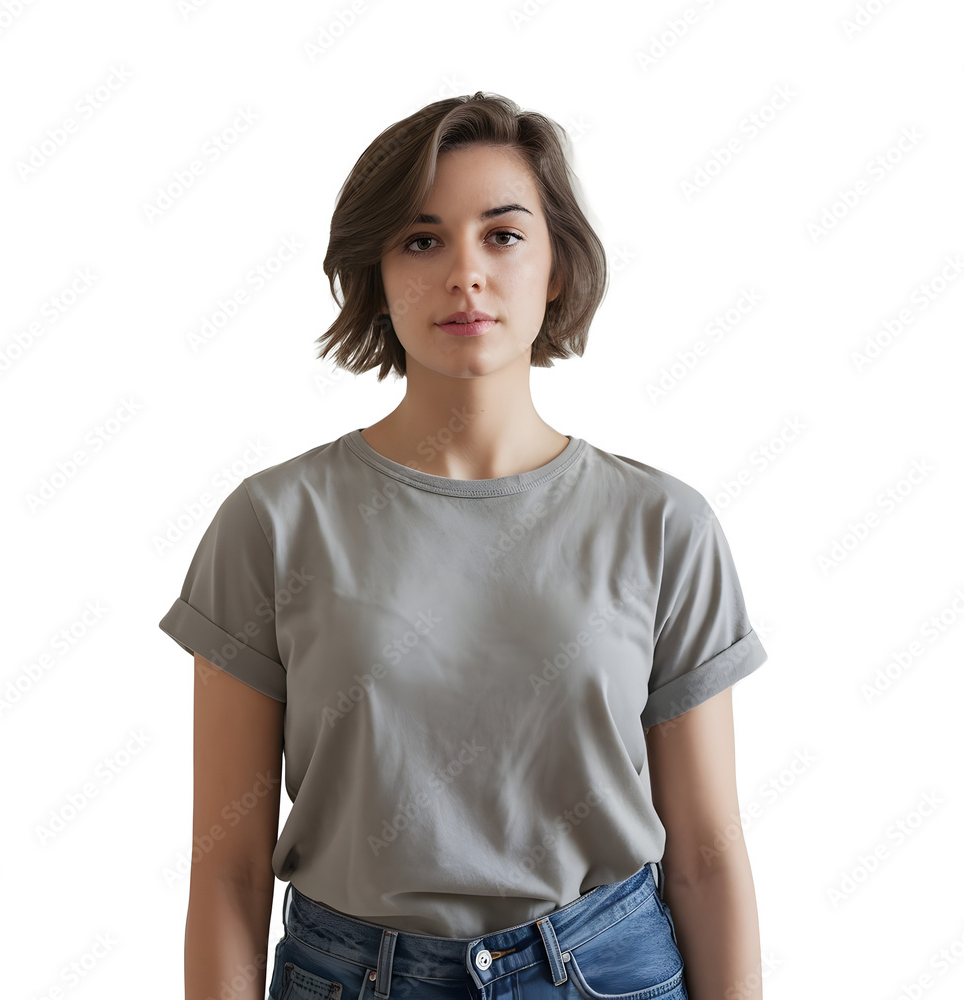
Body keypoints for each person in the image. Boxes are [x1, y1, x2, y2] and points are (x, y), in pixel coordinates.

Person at [159, 91, 768, 1000]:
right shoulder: (273, 523)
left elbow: (708, 857)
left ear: (557, 266)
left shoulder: (664, 526)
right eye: (421, 239)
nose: (465, 273)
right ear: (377, 271)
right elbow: (227, 871)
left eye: (503, 234)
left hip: (611, 970)